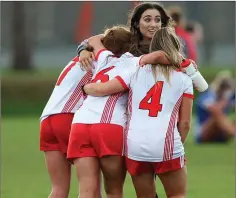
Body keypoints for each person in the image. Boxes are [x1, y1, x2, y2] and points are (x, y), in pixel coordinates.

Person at [82, 27, 194, 198]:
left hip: (135, 145)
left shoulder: (134, 70)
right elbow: (185, 123)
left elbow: (105, 88)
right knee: (177, 194)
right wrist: (178, 145)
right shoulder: (185, 79)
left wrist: (87, 88)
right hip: (166, 144)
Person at [40, 25, 149, 198]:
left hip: (47, 119)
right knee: (93, 187)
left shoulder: (82, 57)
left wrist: (83, 48)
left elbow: (94, 40)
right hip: (73, 116)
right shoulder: (109, 61)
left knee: (59, 188)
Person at [66, 25, 170, 198]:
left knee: (86, 191)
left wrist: (86, 50)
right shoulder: (134, 62)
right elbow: (162, 56)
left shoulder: (103, 57)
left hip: (80, 124)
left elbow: (93, 40)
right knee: (113, 190)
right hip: (109, 125)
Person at [77, 2, 171, 70]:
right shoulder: (127, 38)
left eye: (158, 20)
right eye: (147, 20)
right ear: (137, 23)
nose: (153, 25)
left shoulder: (169, 44)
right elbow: (94, 40)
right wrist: (83, 50)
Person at [195, 70, 235, 143]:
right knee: (216, 115)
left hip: (219, 134)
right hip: (203, 134)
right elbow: (214, 109)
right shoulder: (207, 96)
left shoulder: (226, 98)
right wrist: (225, 100)